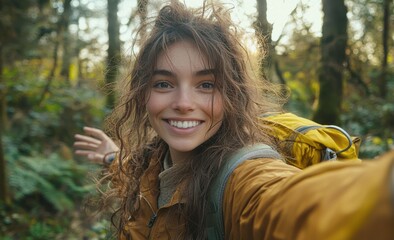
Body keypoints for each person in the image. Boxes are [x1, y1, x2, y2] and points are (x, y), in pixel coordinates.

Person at [74, 2, 394, 239]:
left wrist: (380, 193)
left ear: (232, 96)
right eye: (164, 83)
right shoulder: (155, 158)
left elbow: (294, 204)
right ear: (143, 93)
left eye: (206, 85)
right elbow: (145, 179)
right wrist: (113, 156)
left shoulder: (241, 178)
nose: (184, 103)